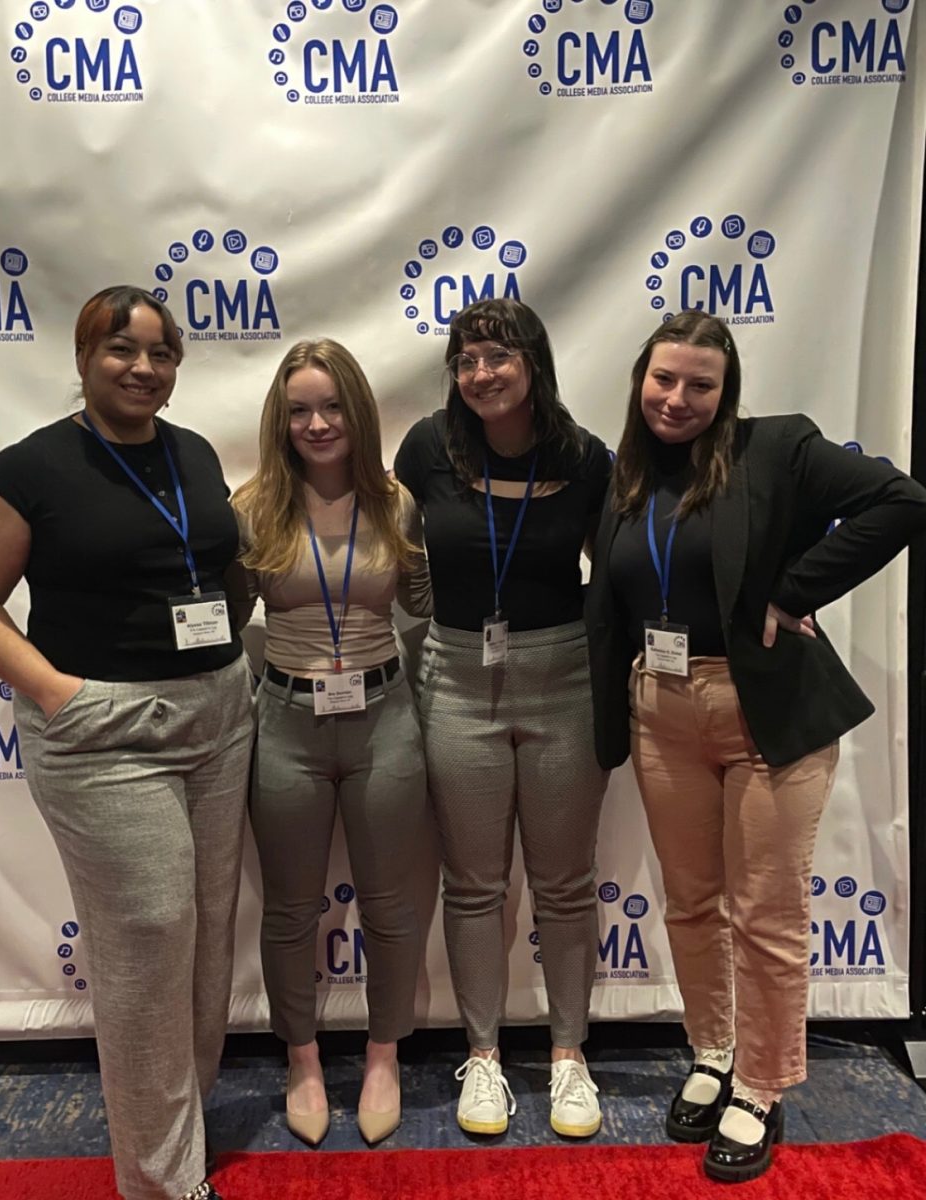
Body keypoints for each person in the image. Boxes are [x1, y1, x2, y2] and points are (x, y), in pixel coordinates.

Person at [585, 310, 926, 1182]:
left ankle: (762, 1084)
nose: (678, 398)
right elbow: (613, 605)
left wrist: (792, 589)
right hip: (660, 708)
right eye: (664, 379)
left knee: (765, 915)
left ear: (726, 390)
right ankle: (712, 1051)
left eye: (701, 384)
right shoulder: (625, 476)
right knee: (692, 905)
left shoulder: (778, 449)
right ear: (641, 380)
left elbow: (901, 500)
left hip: (763, 715)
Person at [0, 286, 255, 1200]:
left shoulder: (193, 452)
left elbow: (213, 569)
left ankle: (180, 1121)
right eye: (124, 349)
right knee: (148, 940)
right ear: (84, 356)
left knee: (201, 937)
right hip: (105, 732)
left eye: (162, 354)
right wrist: (55, 693)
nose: (144, 368)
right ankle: (162, 1184)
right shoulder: (26, 469)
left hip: (216, 713)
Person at [394, 298, 612, 1139]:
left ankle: (567, 1057)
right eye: (467, 358)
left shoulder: (586, 458)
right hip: (454, 672)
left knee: (562, 884)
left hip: (562, 675)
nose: (481, 372)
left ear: (534, 364)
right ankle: (482, 1055)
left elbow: (627, 567)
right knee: (476, 883)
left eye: (499, 356)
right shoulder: (428, 449)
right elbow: (384, 543)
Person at [232, 339, 430, 1147]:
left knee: (389, 904)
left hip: (386, 716)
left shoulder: (396, 502)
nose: (316, 424)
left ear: (358, 410)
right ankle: (303, 1059)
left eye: (331, 406)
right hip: (284, 721)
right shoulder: (251, 507)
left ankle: (384, 1055)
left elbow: (426, 601)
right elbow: (213, 619)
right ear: (281, 420)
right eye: (299, 410)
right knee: (289, 908)